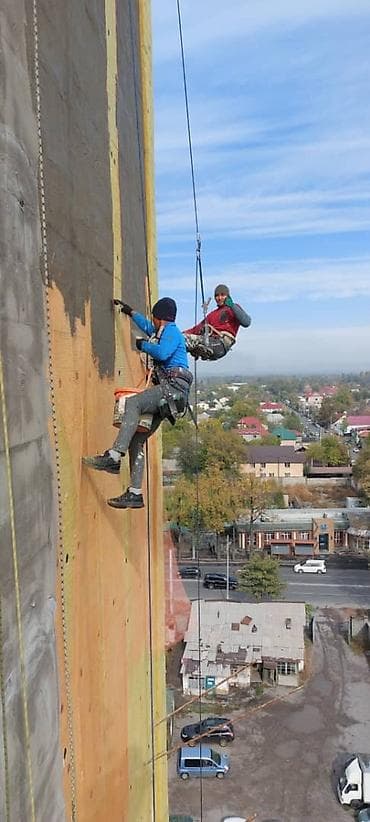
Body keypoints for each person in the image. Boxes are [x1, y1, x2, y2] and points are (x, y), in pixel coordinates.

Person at [82, 297, 192, 509]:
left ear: (160, 317)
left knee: (133, 404)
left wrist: (143, 345)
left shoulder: (171, 331)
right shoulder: (164, 331)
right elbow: (150, 328)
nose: (153, 321)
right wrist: (131, 312)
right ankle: (134, 492)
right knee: (137, 439)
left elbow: (161, 352)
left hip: (171, 390)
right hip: (174, 396)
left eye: (154, 317)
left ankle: (114, 456)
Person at [183, 284, 251, 361]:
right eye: (217, 296)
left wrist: (232, 306)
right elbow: (196, 329)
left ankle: (202, 348)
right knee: (181, 341)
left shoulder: (233, 309)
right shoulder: (212, 315)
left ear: (228, 296)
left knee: (184, 340)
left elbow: (246, 322)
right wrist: (180, 334)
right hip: (210, 342)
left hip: (221, 343)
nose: (219, 298)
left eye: (222, 295)